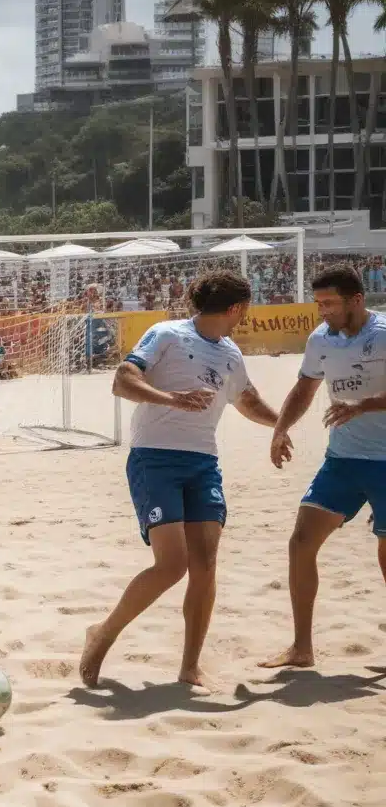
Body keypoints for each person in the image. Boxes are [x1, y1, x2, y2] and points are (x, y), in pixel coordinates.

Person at [79, 270, 279, 691]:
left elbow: (248, 400)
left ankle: (190, 666)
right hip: (155, 458)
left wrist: (283, 425)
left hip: (203, 463)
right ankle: (103, 632)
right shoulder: (167, 333)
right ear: (237, 308)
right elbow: (123, 379)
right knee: (172, 566)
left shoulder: (230, 354)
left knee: (205, 566)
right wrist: (174, 399)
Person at [264, 265, 386, 668]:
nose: (323, 311)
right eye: (318, 303)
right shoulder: (320, 340)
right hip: (343, 461)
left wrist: (363, 405)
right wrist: (280, 428)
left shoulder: (382, 334)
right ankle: (301, 648)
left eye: (330, 303)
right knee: (301, 543)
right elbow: (304, 388)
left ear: (356, 300)